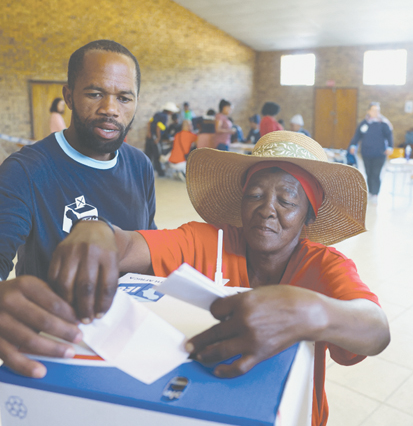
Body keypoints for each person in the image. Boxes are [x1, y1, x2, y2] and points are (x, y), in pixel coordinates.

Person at [52, 131, 390, 426]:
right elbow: (128, 247)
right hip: (203, 408)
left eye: (287, 199)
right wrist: (98, 231)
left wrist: (314, 312)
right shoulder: (208, 242)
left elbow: (376, 330)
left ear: (309, 215)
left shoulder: (324, 267)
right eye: (255, 195)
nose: (267, 208)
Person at [0, 40, 157, 379]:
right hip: (56, 345)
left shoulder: (140, 165)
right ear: (69, 95)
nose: (110, 108)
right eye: (94, 93)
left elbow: (149, 242)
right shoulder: (26, 170)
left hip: (129, 340)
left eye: (124, 97)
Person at [348, 102, 393, 204]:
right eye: (374, 110)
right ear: (369, 111)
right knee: (368, 173)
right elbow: (357, 135)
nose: (376, 112)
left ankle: (375, 193)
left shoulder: (383, 123)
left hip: (380, 153)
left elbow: (389, 136)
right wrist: (353, 145)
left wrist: (390, 147)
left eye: (378, 110)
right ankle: (371, 192)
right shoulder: (364, 123)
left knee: (376, 173)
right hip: (366, 152)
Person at [145, 102, 178, 177]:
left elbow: (149, 123)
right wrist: (158, 138)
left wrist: (149, 133)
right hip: (155, 137)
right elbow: (158, 127)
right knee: (157, 155)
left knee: (148, 154)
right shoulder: (164, 117)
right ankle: (160, 172)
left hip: (150, 137)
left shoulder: (158, 114)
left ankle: (146, 171)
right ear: (169, 111)